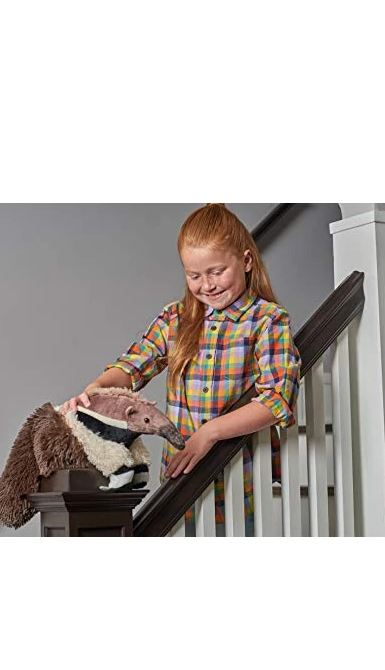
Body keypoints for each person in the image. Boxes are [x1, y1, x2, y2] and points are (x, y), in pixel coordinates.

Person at [60, 203, 301, 535]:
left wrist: (208, 434)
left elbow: (276, 401)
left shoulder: (267, 321)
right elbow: (130, 367)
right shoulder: (175, 319)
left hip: (241, 474)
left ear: (246, 261)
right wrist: (94, 391)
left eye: (217, 271)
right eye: (194, 276)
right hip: (181, 477)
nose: (207, 285)